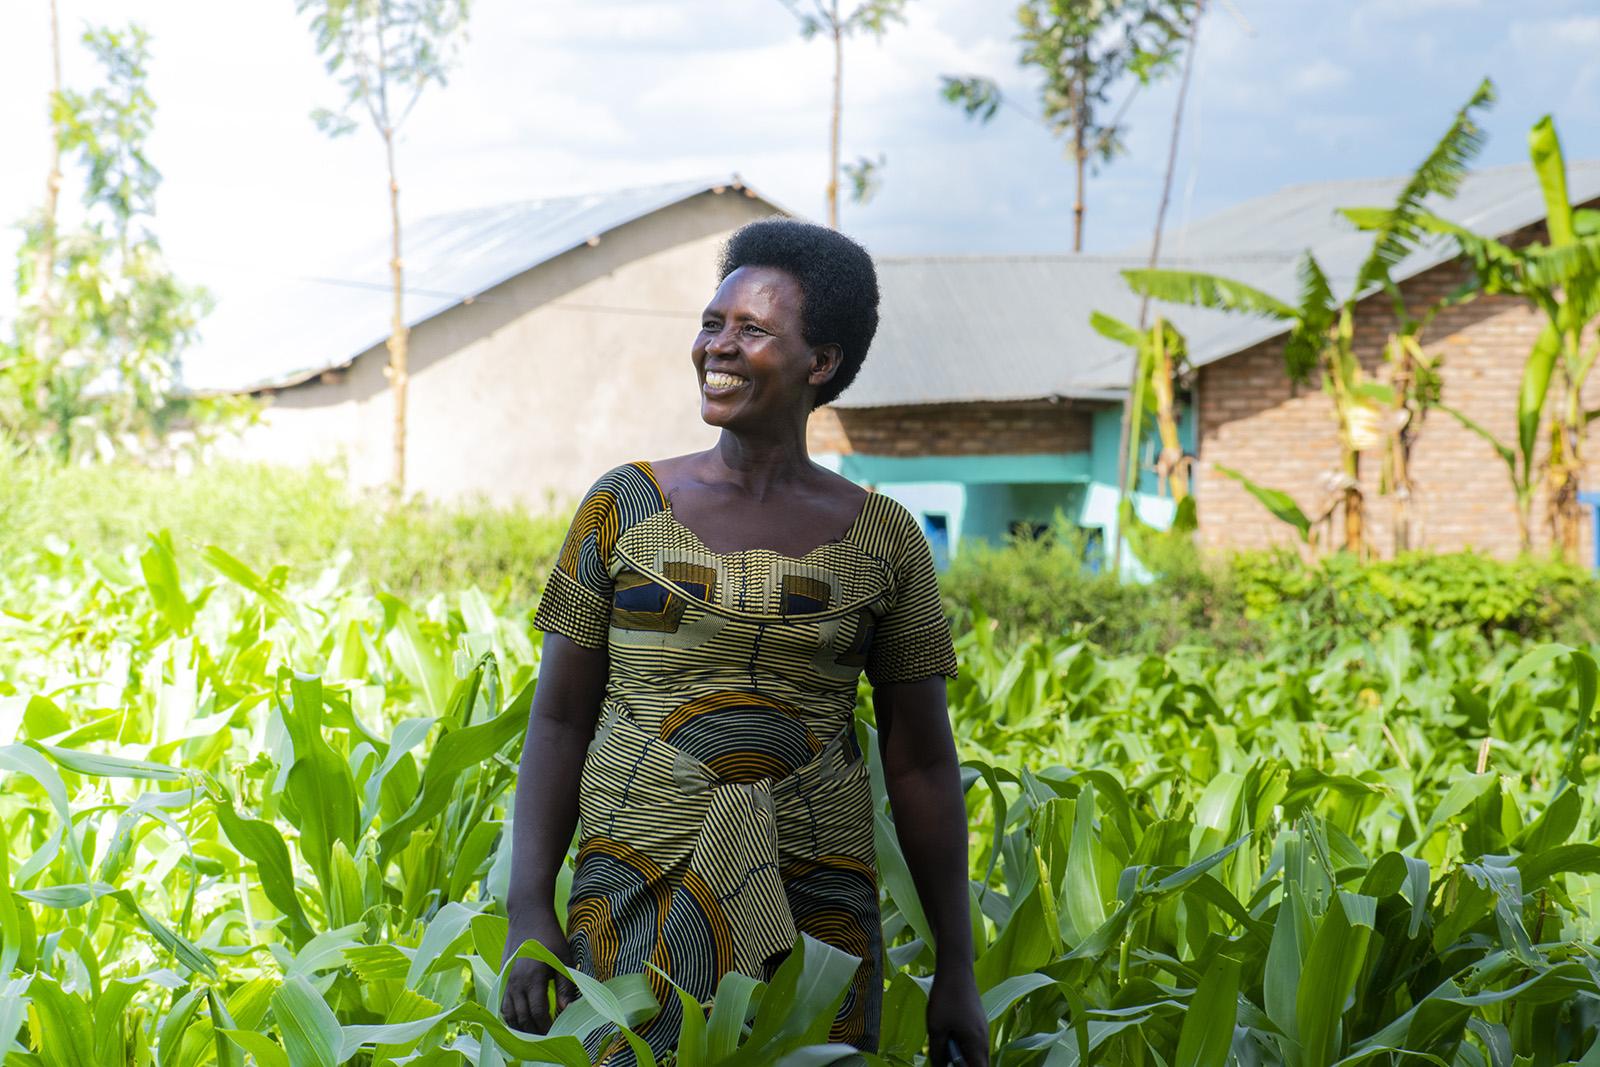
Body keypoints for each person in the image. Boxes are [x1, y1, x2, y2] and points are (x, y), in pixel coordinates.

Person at [499, 217, 988, 1066]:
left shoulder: (885, 540)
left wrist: (959, 967)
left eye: (752, 330)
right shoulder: (624, 508)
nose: (716, 347)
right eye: (711, 323)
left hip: (819, 916)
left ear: (820, 362)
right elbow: (559, 722)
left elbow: (921, 763)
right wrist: (527, 908)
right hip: (632, 888)